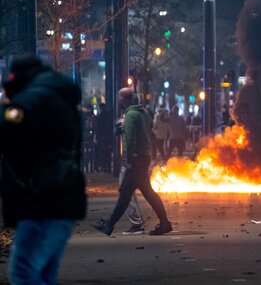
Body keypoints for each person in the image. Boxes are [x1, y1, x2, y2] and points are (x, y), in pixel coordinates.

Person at [0, 56, 87, 284]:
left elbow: (8, 125)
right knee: (43, 274)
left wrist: (6, 107)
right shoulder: (56, 97)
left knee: (23, 272)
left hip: (41, 199)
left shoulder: (32, 99)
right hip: (57, 195)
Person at [92, 88, 172, 236]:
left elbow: (129, 140)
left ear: (123, 100)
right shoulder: (143, 113)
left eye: (119, 99)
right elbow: (147, 130)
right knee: (144, 193)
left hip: (135, 159)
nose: (119, 101)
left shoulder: (130, 115)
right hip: (144, 157)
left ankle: (111, 225)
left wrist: (128, 159)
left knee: (126, 193)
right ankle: (164, 223)